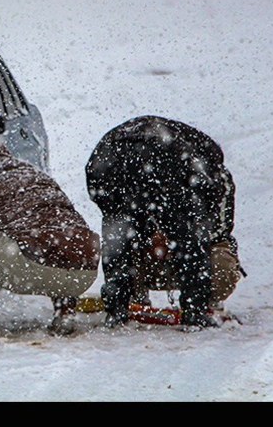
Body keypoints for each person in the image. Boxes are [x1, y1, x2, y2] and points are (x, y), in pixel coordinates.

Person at [85, 115, 245, 328]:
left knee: (120, 236)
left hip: (109, 162)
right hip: (141, 163)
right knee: (180, 239)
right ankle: (194, 310)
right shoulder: (197, 171)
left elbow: (211, 233)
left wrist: (161, 236)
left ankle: (120, 307)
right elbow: (197, 239)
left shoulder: (199, 169)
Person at [0, 137, 100, 335]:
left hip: (34, 268)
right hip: (85, 269)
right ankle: (65, 311)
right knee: (56, 240)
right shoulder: (37, 175)